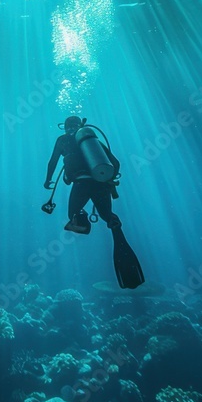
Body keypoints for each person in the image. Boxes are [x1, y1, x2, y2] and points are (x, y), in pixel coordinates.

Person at [44, 115, 144, 289]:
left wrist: (47, 180)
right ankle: (114, 226)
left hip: (81, 184)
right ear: (80, 125)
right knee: (107, 216)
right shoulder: (91, 140)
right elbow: (115, 162)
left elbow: (53, 161)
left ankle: (83, 222)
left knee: (72, 215)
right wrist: (106, 178)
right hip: (101, 184)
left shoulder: (63, 140)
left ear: (65, 127)